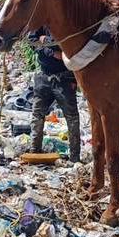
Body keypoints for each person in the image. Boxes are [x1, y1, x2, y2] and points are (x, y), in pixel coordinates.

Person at [28, 26, 81, 163]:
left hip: (65, 77)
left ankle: (74, 157)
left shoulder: (66, 20)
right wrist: (50, 50)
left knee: (72, 117)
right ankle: (35, 151)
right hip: (43, 75)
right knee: (37, 114)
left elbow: (71, 45)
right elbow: (32, 41)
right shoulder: (40, 22)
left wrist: (44, 40)